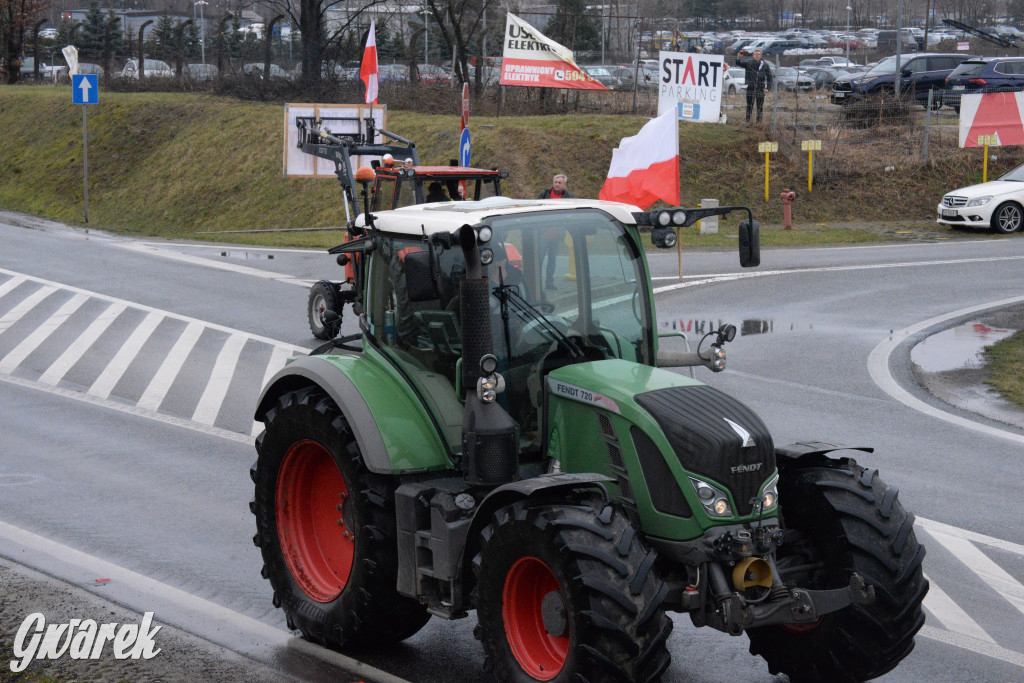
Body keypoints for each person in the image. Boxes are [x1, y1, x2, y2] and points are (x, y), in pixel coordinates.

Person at [536, 174, 573, 288]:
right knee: (539, 259)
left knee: (552, 261)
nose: (557, 184)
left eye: (559, 183)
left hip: (557, 235)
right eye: (555, 182)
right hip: (543, 234)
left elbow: (571, 214)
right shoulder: (544, 194)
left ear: (564, 184)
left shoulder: (569, 197)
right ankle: (536, 284)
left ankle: (549, 282)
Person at [737, 49, 773, 124]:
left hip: (760, 88)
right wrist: (739, 57)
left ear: (761, 56)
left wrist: (768, 88)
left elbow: (770, 77)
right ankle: (747, 121)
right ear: (753, 55)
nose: (757, 55)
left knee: (760, 107)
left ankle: (758, 123)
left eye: (758, 54)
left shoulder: (765, 65)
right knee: (749, 106)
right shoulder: (748, 62)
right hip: (751, 87)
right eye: (755, 54)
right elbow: (739, 63)